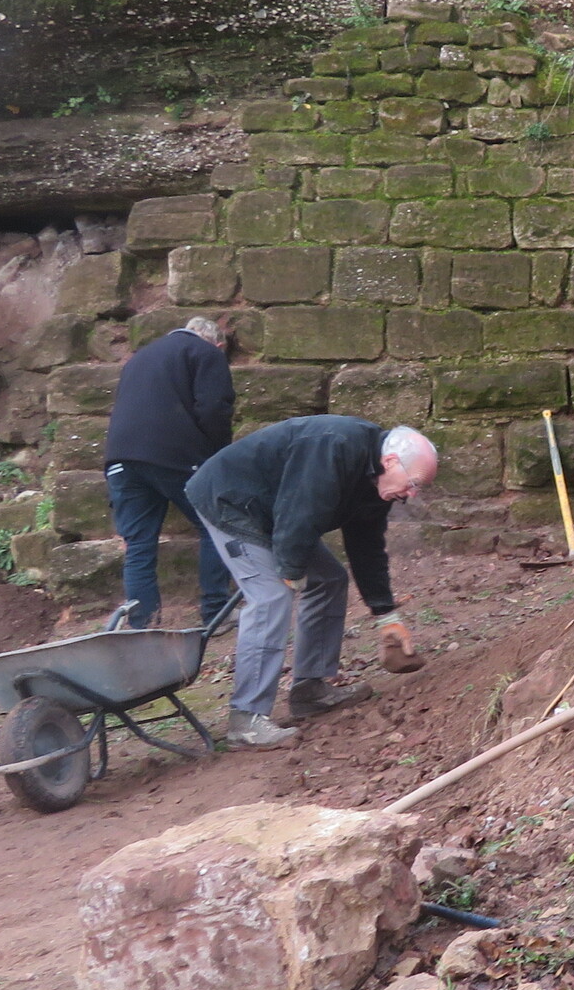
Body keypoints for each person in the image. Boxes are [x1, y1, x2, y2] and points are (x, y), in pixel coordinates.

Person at [184, 416, 438, 749]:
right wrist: (291, 570)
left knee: (330, 579)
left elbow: (367, 548)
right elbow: (300, 509)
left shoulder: (377, 483)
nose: (412, 494)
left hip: (277, 511)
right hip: (232, 500)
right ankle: (245, 720)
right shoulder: (334, 447)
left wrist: (385, 615)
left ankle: (310, 691)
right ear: (390, 461)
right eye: (413, 483)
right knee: (271, 596)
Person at [102, 315, 234, 632]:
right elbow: (213, 408)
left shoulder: (139, 358)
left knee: (139, 545)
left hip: (120, 458)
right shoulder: (207, 353)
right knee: (216, 524)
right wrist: (216, 456)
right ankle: (216, 612)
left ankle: (142, 626)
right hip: (173, 455)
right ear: (218, 344)